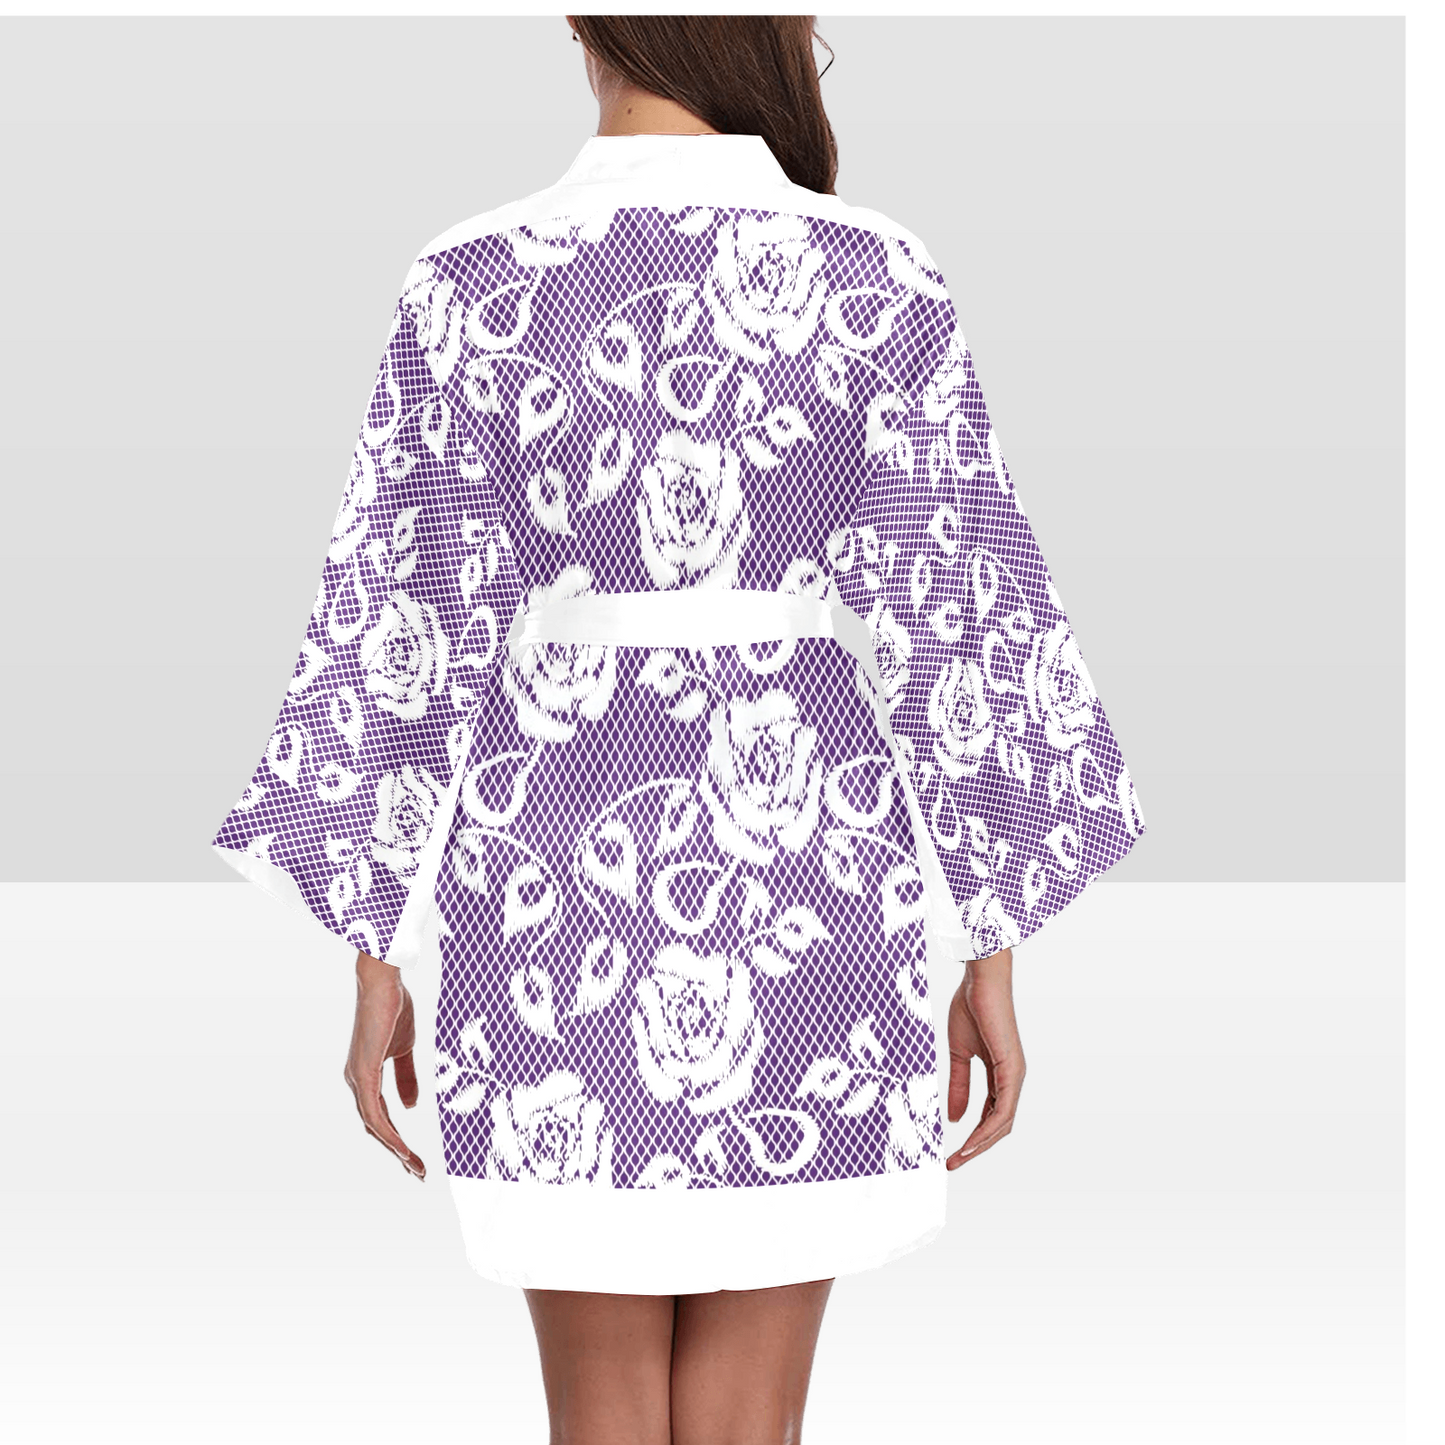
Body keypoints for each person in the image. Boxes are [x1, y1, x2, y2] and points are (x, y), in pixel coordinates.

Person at [211, 13, 1144, 1442]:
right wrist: (991, 952)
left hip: (546, 899)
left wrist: (377, 956)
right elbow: (967, 629)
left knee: (595, 1417)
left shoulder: (469, 282)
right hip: (813, 887)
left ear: (581, 22)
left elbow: (399, 636)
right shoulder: (877, 275)